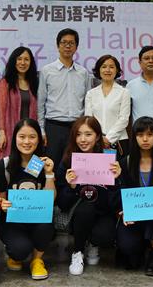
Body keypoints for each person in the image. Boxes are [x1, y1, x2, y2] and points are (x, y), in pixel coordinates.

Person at [56, 116, 121, 276]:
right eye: (78, 134)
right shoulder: (68, 160)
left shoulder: (109, 160)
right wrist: (71, 187)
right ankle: (77, 251)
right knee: (86, 207)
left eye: (88, 134)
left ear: (98, 136)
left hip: (103, 213)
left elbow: (115, 203)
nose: (83, 139)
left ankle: (92, 242)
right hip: (77, 214)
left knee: (106, 236)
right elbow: (62, 204)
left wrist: (116, 180)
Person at [115, 116, 153, 276]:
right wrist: (123, 210)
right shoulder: (125, 163)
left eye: (150, 134)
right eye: (140, 134)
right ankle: (140, 247)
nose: (145, 139)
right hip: (134, 216)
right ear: (134, 137)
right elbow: (121, 194)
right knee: (130, 255)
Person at [0, 118, 56, 280]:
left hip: (37, 219)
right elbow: (0, 199)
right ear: (15, 138)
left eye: (32, 137)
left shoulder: (44, 163)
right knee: (20, 250)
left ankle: (37, 260)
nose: (27, 142)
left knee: (47, 223)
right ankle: (15, 254)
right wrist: (3, 204)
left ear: (39, 139)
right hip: (12, 221)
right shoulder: (4, 165)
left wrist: (49, 174)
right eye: (22, 137)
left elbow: (50, 200)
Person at [37, 28, 91, 168]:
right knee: (51, 166)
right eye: (64, 42)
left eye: (71, 43)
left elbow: (88, 102)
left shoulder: (83, 73)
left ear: (76, 47)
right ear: (58, 45)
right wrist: (42, 130)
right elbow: (40, 103)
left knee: (76, 167)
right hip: (53, 127)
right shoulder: (47, 71)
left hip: (76, 128)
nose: (67, 46)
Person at [84, 54, 131, 157]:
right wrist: (100, 139)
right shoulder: (91, 94)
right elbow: (89, 120)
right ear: (99, 70)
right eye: (104, 67)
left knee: (118, 168)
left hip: (119, 142)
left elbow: (124, 119)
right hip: (96, 141)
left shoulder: (124, 92)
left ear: (117, 70)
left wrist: (108, 139)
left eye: (111, 67)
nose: (108, 70)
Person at [0, 46, 39, 159]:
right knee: (11, 162)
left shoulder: (34, 83)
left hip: (30, 134)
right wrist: (2, 134)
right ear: (13, 61)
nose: (22, 63)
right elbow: (1, 111)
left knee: (30, 163)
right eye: (19, 59)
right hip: (11, 132)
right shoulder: (5, 83)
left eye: (26, 59)